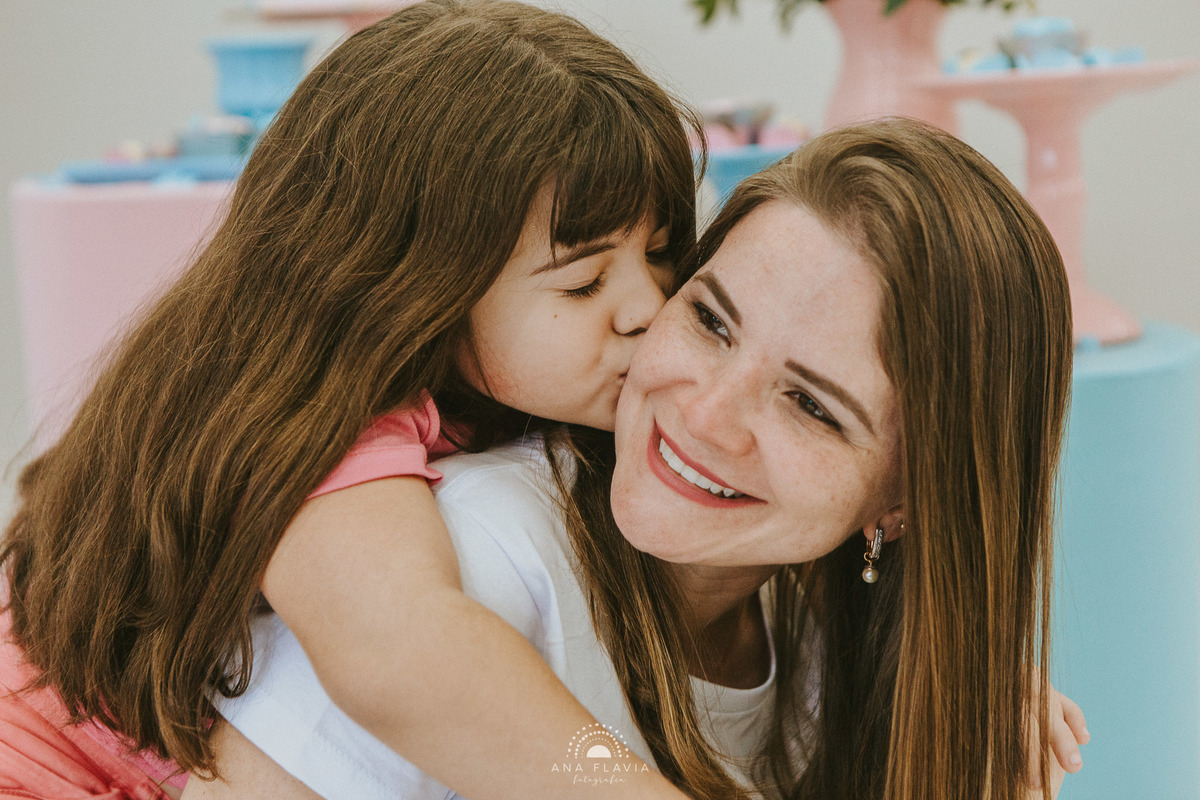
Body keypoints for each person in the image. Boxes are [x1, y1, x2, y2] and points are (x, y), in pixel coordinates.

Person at [185, 118, 1085, 800]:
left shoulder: (818, 654)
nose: (705, 412)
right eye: (710, 319)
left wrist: (954, 679)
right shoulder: (480, 555)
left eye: (811, 405)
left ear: (911, 503)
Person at [0, 2, 705, 798]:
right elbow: (402, 653)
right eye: (584, 282)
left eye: (658, 254)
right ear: (421, 285)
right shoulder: (326, 427)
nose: (649, 306)